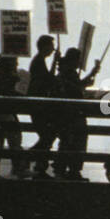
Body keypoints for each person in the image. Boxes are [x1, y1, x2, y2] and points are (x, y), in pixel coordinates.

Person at [53, 48, 101, 180]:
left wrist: (91, 74)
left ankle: (61, 167)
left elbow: (76, 86)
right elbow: (75, 88)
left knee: (66, 141)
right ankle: (73, 169)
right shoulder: (68, 73)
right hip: (74, 112)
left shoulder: (64, 72)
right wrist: (90, 75)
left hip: (66, 113)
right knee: (78, 141)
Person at [25, 35, 60, 178]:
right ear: (44, 46)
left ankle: (39, 165)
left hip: (38, 106)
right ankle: (29, 159)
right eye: (51, 46)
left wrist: (54, 61)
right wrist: (55, 62)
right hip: (38, 107)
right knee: (47, 136)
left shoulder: (39, 61)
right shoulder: (38, 62)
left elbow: (48, 79)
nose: (53, 49)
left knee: (47, 135)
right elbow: (48, 80)